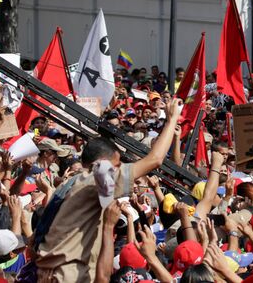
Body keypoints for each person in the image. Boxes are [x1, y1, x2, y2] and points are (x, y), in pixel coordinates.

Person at [36, 98, 182, 282]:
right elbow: (155, 160)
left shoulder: (69, 186)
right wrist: (171, 120)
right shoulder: (95, 180)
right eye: (117, 165)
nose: (119, 169)